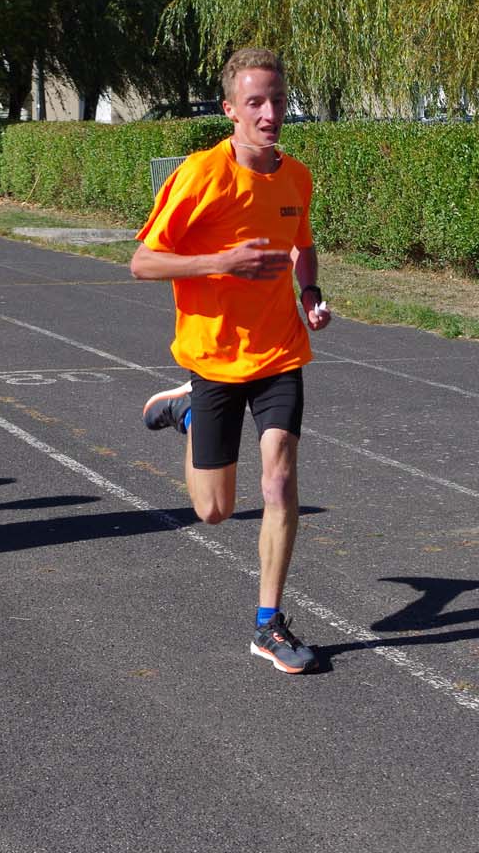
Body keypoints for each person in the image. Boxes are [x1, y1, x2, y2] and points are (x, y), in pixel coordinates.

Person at [131, 47, 331, 674]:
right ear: (230, 110)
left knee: (278, 482)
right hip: (214, 360)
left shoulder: (295, 176)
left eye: (277, 100)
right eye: (255, 102)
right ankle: (188, 413)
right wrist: (221, 262)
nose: (270, 112)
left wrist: (310, 293)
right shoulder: (200, 174)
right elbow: (143, 262)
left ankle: (269, 624)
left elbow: (303, 245)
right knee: (212, 512)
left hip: (278, 353)